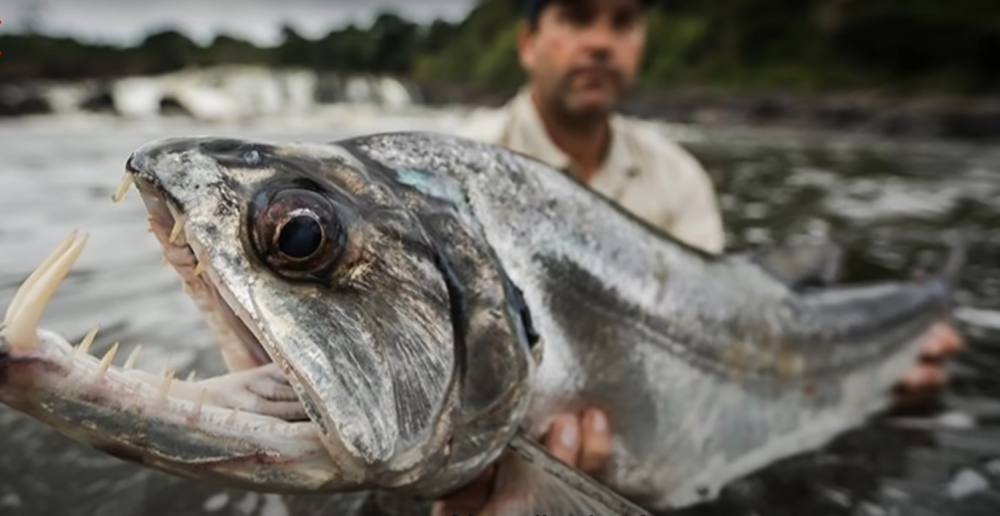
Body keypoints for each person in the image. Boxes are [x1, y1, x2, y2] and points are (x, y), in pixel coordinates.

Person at [433, 0, 964, 513]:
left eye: (622, 22)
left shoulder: (680, 177)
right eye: (575, 16)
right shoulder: (446, 185)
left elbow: (724, 335)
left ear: (641, 43)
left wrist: (873, 388)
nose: (599, 42)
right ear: (528, 42)